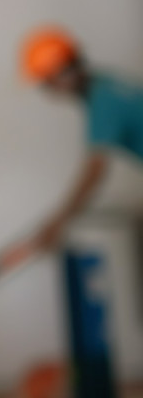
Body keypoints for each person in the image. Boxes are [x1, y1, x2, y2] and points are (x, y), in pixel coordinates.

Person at [20, 25, 143, 252]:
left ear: (64, 71)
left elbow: (94, 171)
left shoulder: (102, 100)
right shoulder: (106, 84)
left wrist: (58, 222)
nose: (47, 91)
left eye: (46, 82)